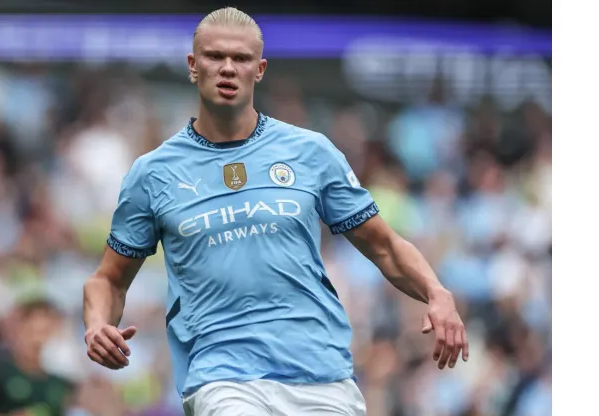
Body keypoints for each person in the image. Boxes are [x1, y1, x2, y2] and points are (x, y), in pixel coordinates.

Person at [83, 7, 469, 416]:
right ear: (193, 66)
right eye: (214, 57)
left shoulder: (311, 152)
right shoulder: (152, 174)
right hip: (222, 376)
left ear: (260, 69)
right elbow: (109, 279)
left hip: (321, 374)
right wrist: (96, 326)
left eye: (241, 58)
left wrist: (436, 293)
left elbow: (385, 246)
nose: (227, 68)